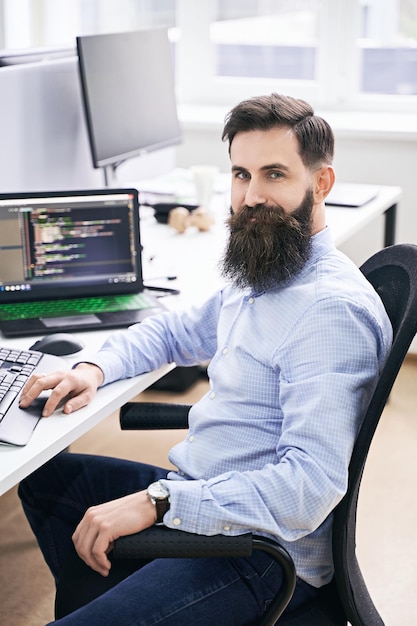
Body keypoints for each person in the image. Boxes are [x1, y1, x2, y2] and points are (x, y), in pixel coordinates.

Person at [18, 93, 392, 625]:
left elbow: (307, 489)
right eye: (241, 174)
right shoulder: (267, 272)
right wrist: (91, 369)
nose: (252, 195)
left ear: (322, 183)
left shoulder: (328, 312)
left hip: (257, 552)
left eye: (275, 174)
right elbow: (174, 331)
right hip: (204, 499)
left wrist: (159, 503)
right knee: (47, 481)